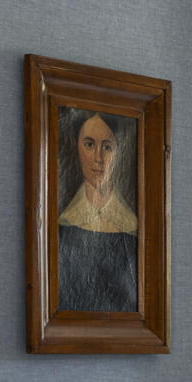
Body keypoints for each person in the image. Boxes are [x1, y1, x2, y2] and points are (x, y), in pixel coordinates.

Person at [56, 110, 140, 312]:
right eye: (89, 144)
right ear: (77, 148)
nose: (98, 158)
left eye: (107, 147)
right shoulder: (63, 223)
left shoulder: (133, 227)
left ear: (118, 151)